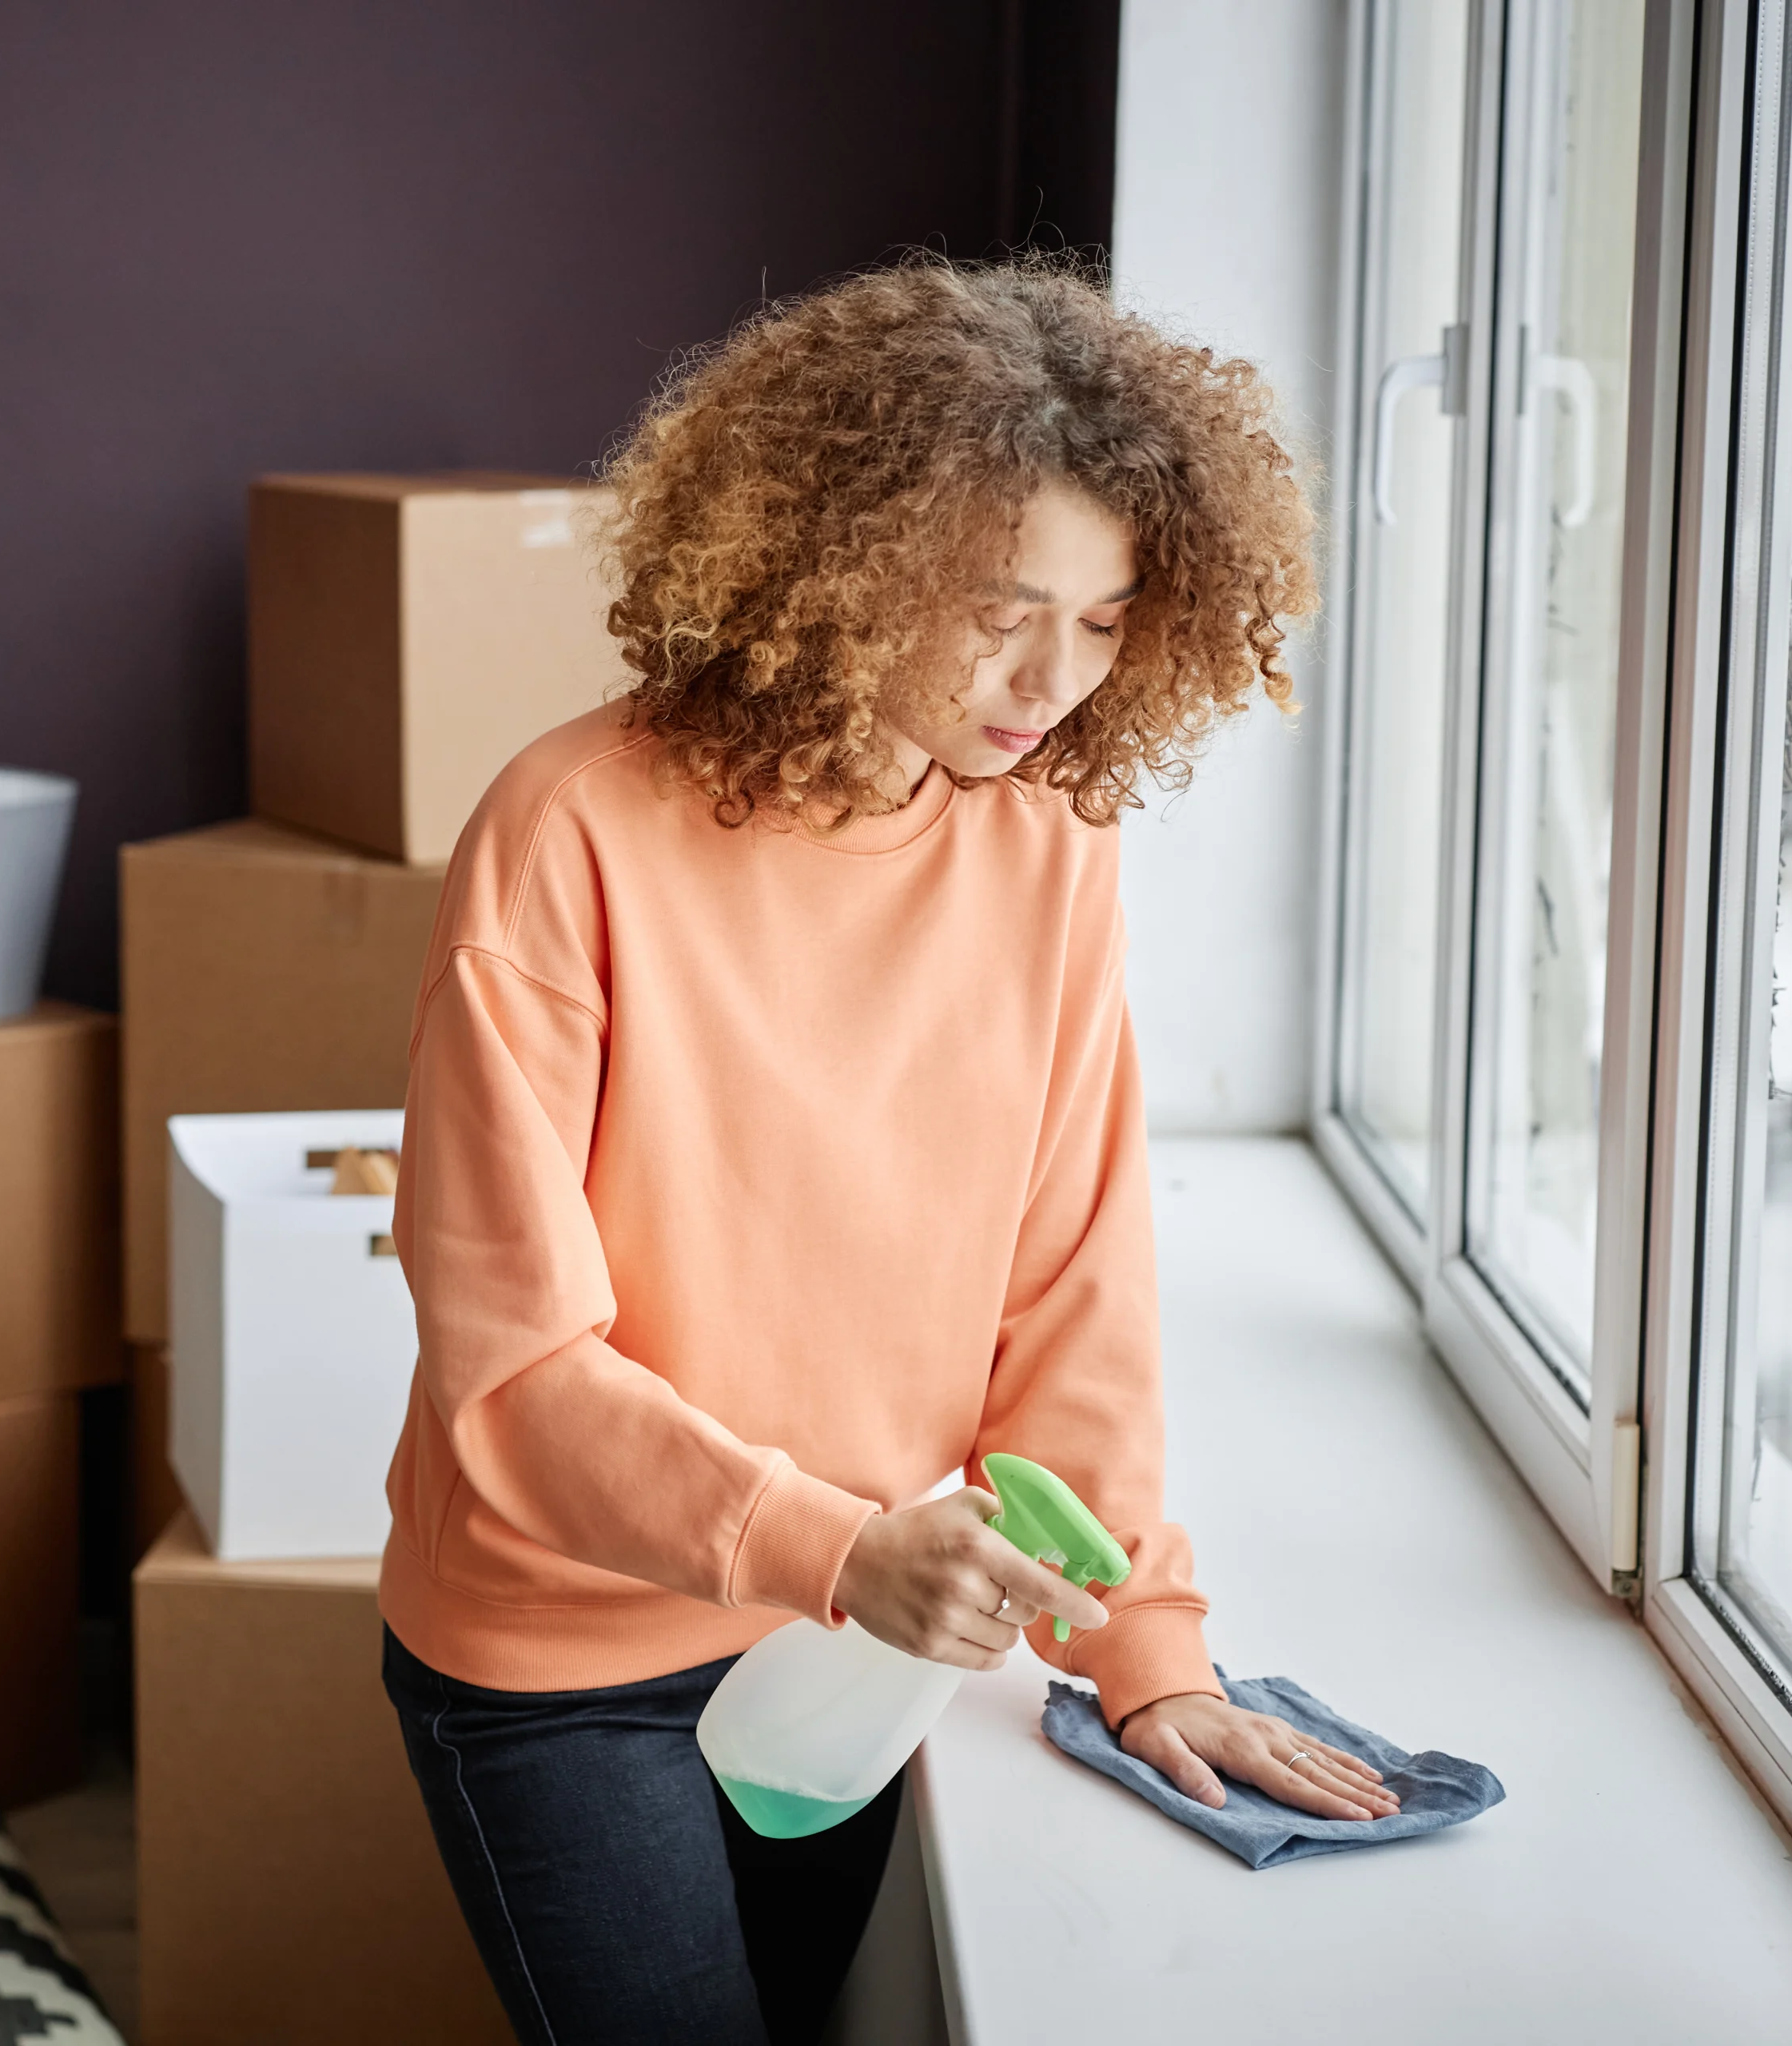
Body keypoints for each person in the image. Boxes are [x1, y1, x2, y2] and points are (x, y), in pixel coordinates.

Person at [376, 257, 1400, 2046]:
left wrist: (1142, 1643)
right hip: (564, 1646)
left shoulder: (1049, 843)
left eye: (1104, 618)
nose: (1048, 679)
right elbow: (510, 1360)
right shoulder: (567, 831)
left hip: (852, 1645)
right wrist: (842, 1545)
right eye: (999, 606)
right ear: (836, 563)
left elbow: (1072, 1276)